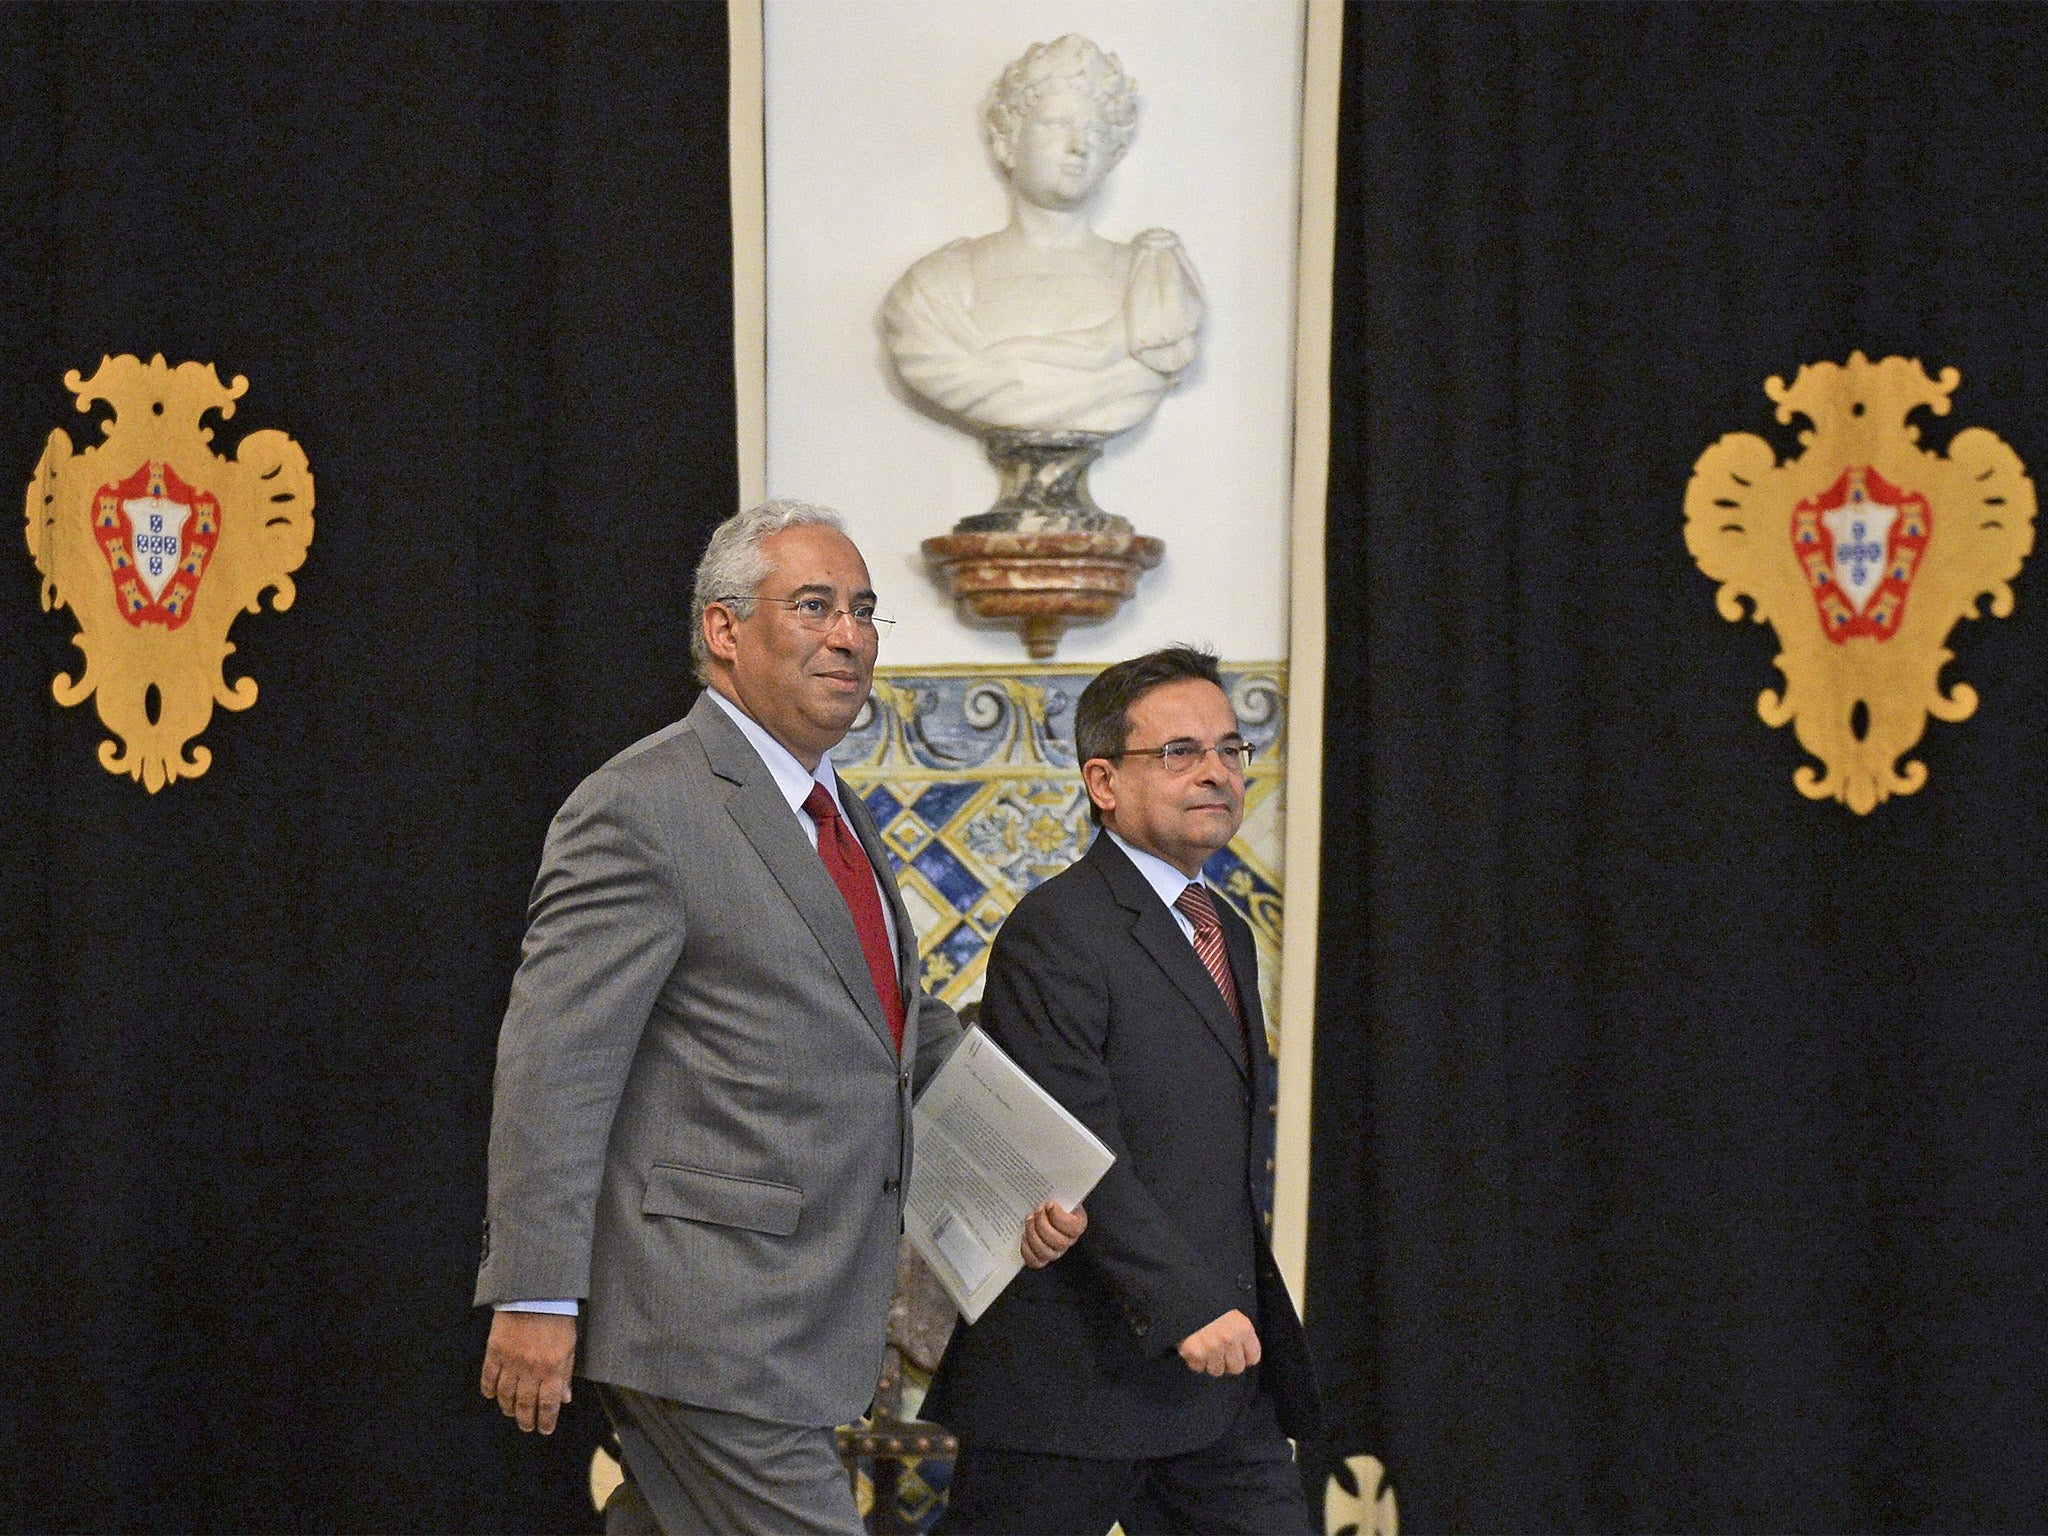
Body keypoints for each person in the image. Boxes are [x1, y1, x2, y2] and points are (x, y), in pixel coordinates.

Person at [473, 500, 1084, 1535]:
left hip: (795, 1324)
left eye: (863, 610)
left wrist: (1037, 1162)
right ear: (723, 630)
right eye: (813, 606)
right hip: (708, 1324)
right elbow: (553, 1066)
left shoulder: (832, 811)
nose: (850, 636)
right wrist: (535, 1294)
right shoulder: (642, 804)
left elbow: (893, 1030)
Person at [925, 646, 1319, 1535]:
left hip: (1215, 1383)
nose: (1216, 772)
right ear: (1103, 780)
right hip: (1073, 1382)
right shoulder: (1056, 929)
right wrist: (1188, 1308)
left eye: (1231, 749)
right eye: (1180, 752)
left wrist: (1214, 1313)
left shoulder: (1225, 931)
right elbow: (1076, 1148)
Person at [882, 34, 1204, 438]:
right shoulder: (934, 289)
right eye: (1056, 124)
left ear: (1113, 154)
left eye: (1096, 133)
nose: (1078, 147)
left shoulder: (1151, 282)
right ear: (1007, 141)